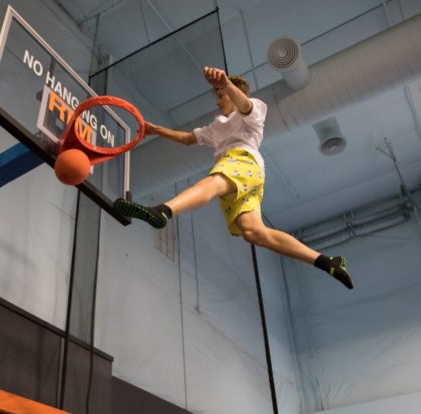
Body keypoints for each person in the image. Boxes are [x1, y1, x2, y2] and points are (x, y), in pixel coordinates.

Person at [114, 67, 353, 289]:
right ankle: (326, 261)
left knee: (214, 182)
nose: (218, 102)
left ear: (233, 93)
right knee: (254, 233)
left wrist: (226, 83)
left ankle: (163, 211)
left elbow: (245, 104)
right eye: (217, 97)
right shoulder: (216, 126)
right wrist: (157, 130)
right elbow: (187, 138)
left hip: (242, 162)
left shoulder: (252, 112)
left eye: (221, 96)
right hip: (245, 179)